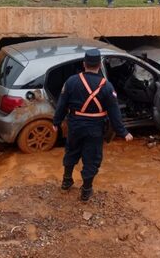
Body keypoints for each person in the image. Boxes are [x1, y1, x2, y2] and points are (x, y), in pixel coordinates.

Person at [53, 49, 133, 201]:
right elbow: (115, 113)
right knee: (92, 158)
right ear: (98, 66)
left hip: (75, 126)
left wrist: (56, 122)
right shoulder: (107, 86)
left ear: (84, 64)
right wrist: (123, 132)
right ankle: (86, 191)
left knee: (71, 151)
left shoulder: (71, 81)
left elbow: (61, 104)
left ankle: (66, 181)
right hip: (95, 128)